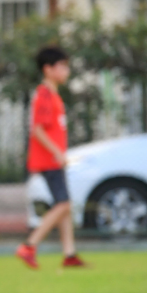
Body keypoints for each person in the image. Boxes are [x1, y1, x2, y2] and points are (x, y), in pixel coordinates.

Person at [16, 46, 86, 269]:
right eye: (62, 66)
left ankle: (69, 254)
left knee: (63, 204)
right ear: (48, 69)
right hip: (49, 160)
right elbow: (38, 130)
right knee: (63, 205)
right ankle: (29, 245)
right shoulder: (45, 94)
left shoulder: (52, 94)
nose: (67, 71)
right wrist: (57, 152)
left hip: (53, 159)